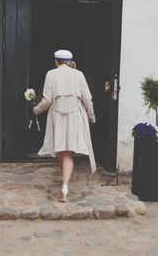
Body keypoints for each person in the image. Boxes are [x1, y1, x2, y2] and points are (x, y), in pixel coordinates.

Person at [33, 50, 96, 202]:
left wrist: (36, 110)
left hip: (58, 115)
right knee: (66, 151)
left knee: (63, 150)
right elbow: (87, 98)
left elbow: (47, 100)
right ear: (69, 61)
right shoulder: (79, 74)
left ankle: (64, 185)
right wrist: (91, 116)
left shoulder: (51, 74)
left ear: (56, 61)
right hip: (75, 115)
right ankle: (65, 184)